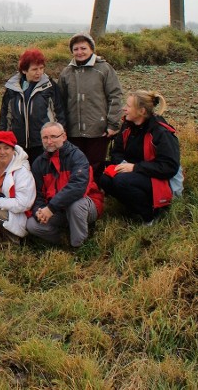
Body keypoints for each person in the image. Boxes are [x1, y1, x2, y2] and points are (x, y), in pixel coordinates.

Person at [100, 91, 180, 225]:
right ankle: (133, 209)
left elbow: (169, 167)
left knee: (121, 181)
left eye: (128, 106)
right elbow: (116, 152)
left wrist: (135, 168)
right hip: (135, 173)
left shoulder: (160, 132)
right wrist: (123, 164)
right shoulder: (128, 126)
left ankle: (151, 216)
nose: (124, 108)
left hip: (159, 179)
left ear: (141, 111)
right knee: (104, 178)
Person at [26, 122, 104, 249]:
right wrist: (39, 212)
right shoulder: (39, 163)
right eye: (45, 138)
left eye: (53, 136)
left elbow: (77, 188)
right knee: (31, 225)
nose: (49, 141)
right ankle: (65, 238)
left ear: (64, 136)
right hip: (57, 210)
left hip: (86, 204)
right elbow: (38, 195)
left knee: (75, 205)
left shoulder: (77, 156)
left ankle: (79, 246)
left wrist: (50, 208)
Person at [58, 32, 123, 178]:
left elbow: (115, 96)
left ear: (91, 49)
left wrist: (113, 124)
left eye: (83, 48)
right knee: (75, 165)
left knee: (95, 165)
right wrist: (61, 126)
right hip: (73, 130)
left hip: (98, 129)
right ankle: (78, 195)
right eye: (76, 49)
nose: (79, 52)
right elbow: (60, 102)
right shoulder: (66, 72)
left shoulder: (104, 69)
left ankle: (95, 196)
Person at [0, 48, 65, 162]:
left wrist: (58, 137)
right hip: (18, 143)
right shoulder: (12, 88)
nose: (39, 72)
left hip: (43, 142)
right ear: (24, 70)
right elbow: (5, 115)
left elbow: (59, 113)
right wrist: (3, 138)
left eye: (41, 68)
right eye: (34, 69)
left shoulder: (50, 87)